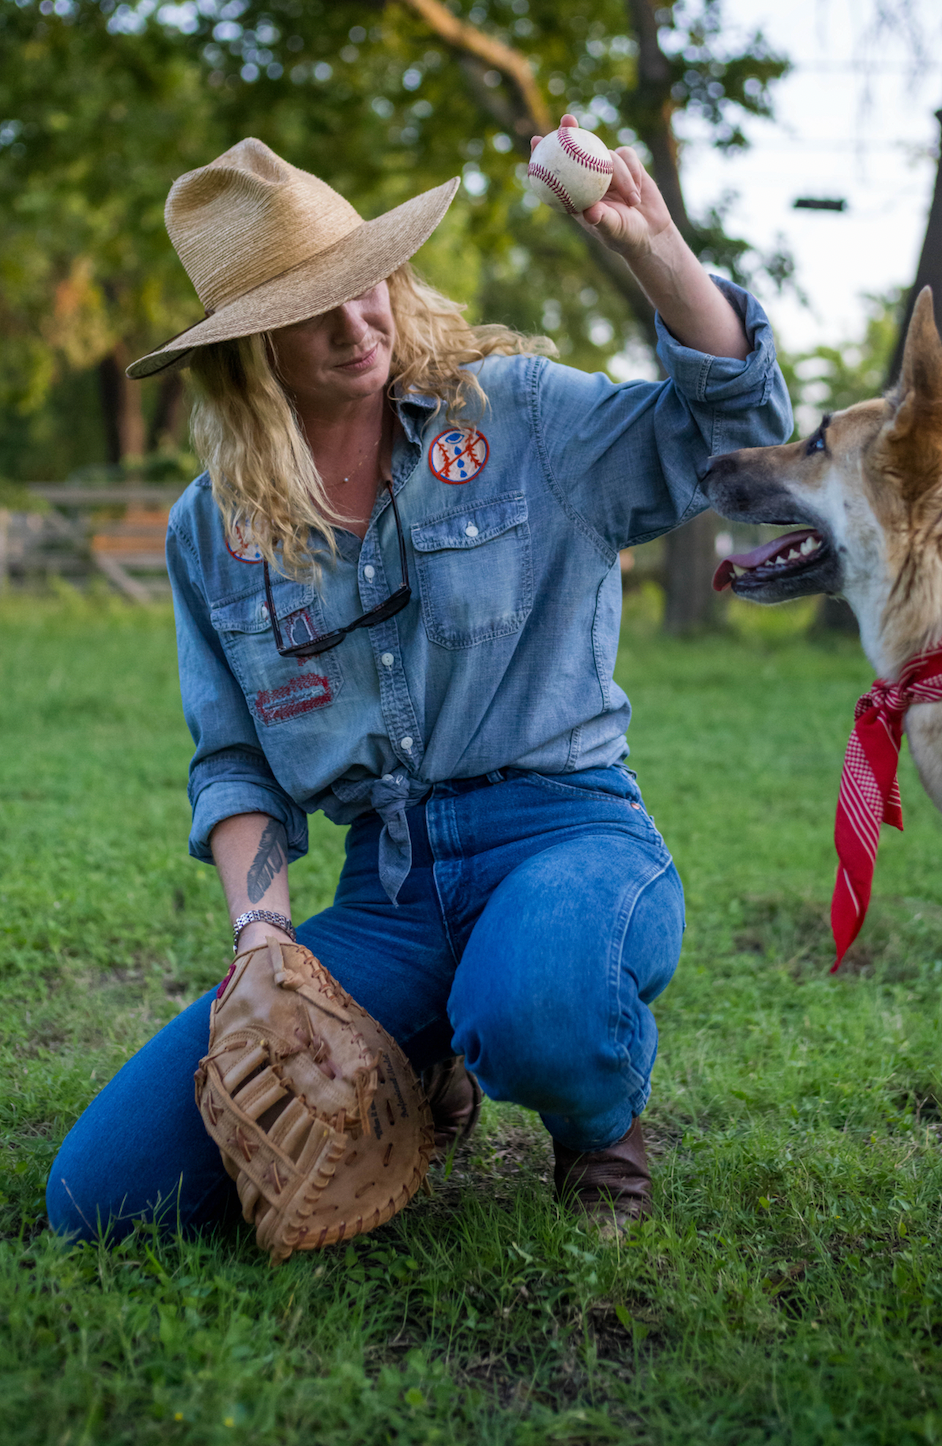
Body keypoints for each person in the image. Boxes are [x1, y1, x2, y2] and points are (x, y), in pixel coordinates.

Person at [47, 123, 792, 1244]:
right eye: (311, 311)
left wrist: (658, 252)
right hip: (386, 892)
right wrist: (264, 945)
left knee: (536, 1009)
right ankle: (426, 1052)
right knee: (102, 1201)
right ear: (246, 351)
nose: (359, 323)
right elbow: (236, 758)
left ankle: (599, 1126)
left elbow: (739, 431)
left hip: (566, 836)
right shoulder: (213, 530)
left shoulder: (519, 415)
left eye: (367, 283)